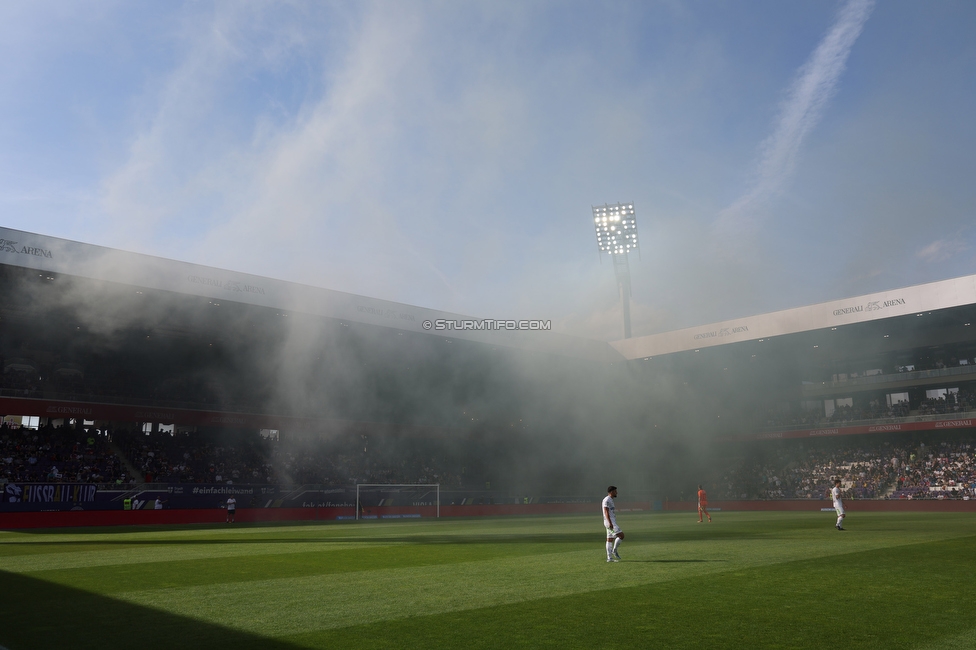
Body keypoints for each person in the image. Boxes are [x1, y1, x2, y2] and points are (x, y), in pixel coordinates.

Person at [602, 486, 623, 562]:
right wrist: (610, 523)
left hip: (610, 521)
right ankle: (614, 550)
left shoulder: (610, 500)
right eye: (615, 491)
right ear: (611, 492)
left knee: (609, 539)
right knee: (621, 535)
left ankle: (609, 558)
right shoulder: (607, 500)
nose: (616, 493)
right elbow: (606, 511)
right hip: (610, 522)